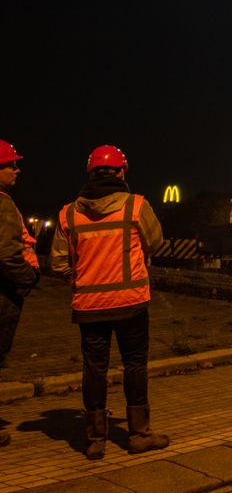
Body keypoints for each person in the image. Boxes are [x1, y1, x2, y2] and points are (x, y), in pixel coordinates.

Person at [50, 145, 169, 460]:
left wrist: (81, 278)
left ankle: (95, 440)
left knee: (94, 369)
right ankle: (139, 434)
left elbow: (58, 264)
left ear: (90, 173)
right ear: (122, 171)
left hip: (89, 307)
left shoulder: (69, 213)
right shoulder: (136, 206)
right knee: (135, 365)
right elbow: (155, 242)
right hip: (131, 303)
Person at [0, 140, 41, 448]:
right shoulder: (2, 204)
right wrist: (28, 278)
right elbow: (7, 253)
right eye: (11, 165)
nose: (17, 169)